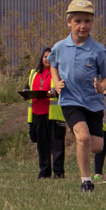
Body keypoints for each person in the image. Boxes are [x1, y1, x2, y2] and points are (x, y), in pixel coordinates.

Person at [49, 0, 106, 193]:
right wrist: (56, 82)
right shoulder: (60, 47)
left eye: (87, 21)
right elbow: (53, 65)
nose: (82, 25)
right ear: (69, 22)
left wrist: (100, 87)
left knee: (97, 147)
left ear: (92, 22)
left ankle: (81, 133)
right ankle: (86, 181)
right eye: (77, 21)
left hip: (93, 103)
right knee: (83, 138)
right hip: (70, 100)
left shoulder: (99, 50)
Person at [27, 49, 66, 179]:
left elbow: (64, 88)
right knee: (42, 146)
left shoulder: (60, 72)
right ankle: (44, 173)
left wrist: (54, 92)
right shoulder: (33, 73)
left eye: (50, 57)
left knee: (57, 146)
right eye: (45, 56)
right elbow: (28, 87)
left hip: (54, 114)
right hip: (38, 113)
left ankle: (58, 173)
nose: (47, 59)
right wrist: (25, 93)